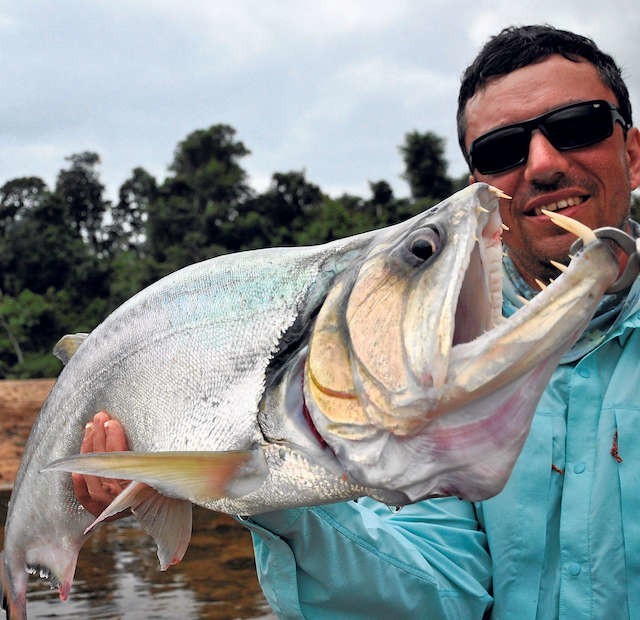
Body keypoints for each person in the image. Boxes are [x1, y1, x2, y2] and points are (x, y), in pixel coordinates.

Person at [73, 25, 640, 618]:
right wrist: (265, 492)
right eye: (503, 150)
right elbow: (439, 589)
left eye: (577, 126)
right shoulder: (435, 369)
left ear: (630, 154)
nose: (544, 164)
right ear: (481, 189)